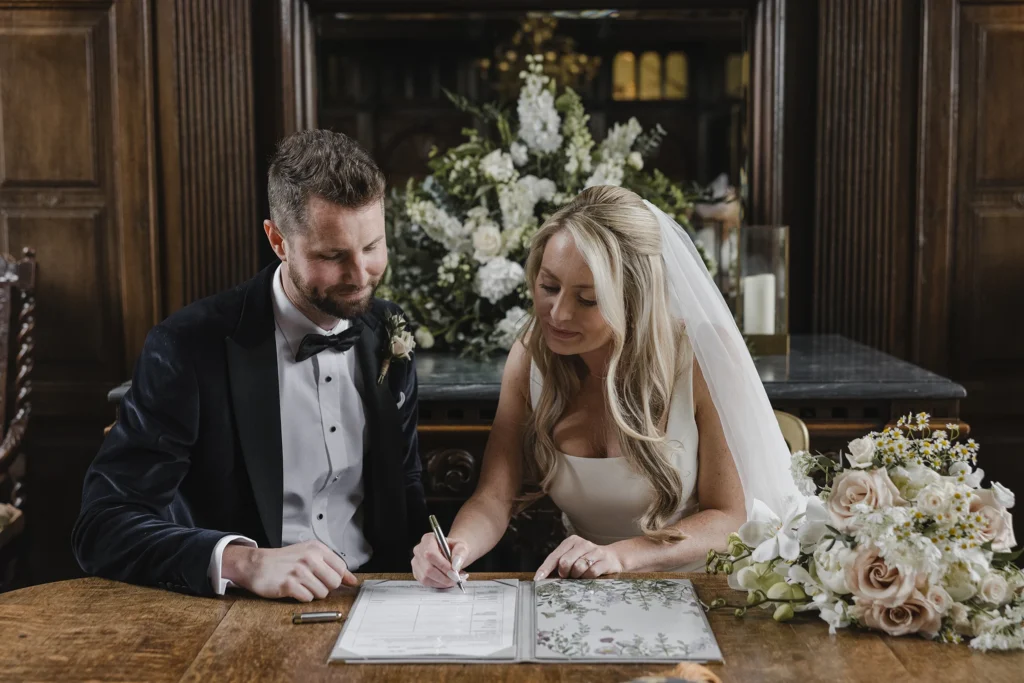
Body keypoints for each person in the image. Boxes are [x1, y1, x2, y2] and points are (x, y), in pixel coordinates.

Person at [74, 130, 428, 601]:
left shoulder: (387, 332)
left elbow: (405, 487)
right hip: (241, 611)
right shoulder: (187, 347)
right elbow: (101, 526)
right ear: (278, 240)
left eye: (372, 247)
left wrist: (432, 550)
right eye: (332, 255)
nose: (361, 275)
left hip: (380, 601)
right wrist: (246, 562)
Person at [412, 185, 801, 587]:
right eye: (548, 287)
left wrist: (621, 556)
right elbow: (494, 497)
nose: (558, 313)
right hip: (590, 594)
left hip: (706, 591)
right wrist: (454, 548)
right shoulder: (531, 356)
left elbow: (730, 520)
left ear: (634, 301)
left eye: (588, 299)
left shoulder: (701, 357)